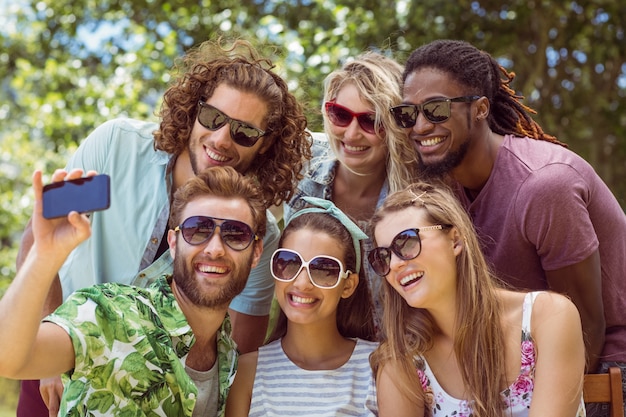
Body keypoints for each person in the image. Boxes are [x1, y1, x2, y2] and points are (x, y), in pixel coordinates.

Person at [15, 38, 312, 416]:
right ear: (194, 109)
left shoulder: (255, 235)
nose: (220, 139)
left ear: (265, 144)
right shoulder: (117, 149)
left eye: (243, 133)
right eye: (213, 118)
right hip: (58, 356)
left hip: (157, 392)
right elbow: (38, 236)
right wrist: (49, 351)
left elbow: (236, 352)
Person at [389, 39, 626, 412]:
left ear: (480, 108)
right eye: (407, 113)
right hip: (512, 358)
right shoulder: (441, 189)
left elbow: (586, 327)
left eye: (435, 109)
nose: (420, 126)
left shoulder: (545, 186)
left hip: (607, 360)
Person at [0, 166, 266, 416]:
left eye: (236, 234)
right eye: (198, 230)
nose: (215, 249)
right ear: (173, 244)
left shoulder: (229, 358)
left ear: (255, 253)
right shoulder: (111, 314)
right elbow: (8, 358)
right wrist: (43, 259)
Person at [368, 181, 586, 416]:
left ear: (455, 240)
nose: (395, 264)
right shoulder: (403, 361)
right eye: (383, 256)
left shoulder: (547, 317)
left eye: (408, 242)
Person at [285, 51, 418, 326]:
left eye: (372, 121)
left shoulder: (417, 200)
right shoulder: (300, 167)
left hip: (390, 352)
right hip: (311, 343)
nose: (352, 133)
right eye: (340, 115)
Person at [226, 197, 378, 417]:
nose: (302, 283)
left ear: (348, 285)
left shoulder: (378, 365)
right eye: (289, 262)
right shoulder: (247, 371)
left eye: (324, 269)